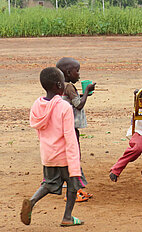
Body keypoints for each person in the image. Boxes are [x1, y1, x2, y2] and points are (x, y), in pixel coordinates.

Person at [21, 67, 85, 227]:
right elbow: (70, 137)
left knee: (49, 183)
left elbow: (39, 130)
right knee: (73, 184)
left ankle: (32, 200)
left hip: (48, 154)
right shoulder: (64, 107)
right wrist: (74, 162)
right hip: (65, 155)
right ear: (59, 85)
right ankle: (67, 217)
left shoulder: (37, 105)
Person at [57, 57, 95, 201]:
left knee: (67, 155)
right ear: (68, 72)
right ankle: (74, 190)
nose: (79, 74)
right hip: (70, 127)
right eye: (77, 71)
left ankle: (73, 187)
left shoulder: (58, 85)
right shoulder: (69, 87)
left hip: (61, 126)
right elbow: (78, 105)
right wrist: (87, 92)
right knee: (74, 156)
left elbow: (70, 100)